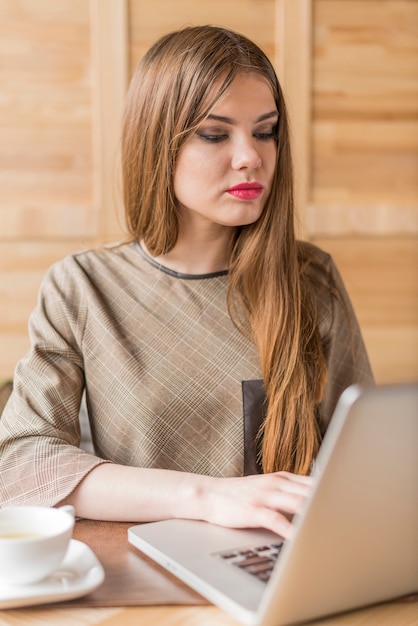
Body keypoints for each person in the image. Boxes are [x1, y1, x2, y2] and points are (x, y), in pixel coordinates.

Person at [0, 25, 373, 538]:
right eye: (215, 134)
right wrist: (205, 497)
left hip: (282, 565)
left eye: (265, 131)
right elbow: (24, 464)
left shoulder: (311, 279)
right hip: (137, 569)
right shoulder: (82, 286)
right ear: (157, 143)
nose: (251, 157)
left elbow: (368, 456)